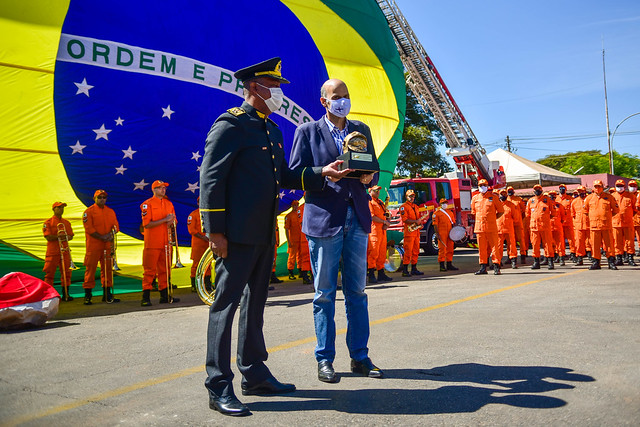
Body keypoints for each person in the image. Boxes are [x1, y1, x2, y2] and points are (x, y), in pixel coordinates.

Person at [199, 59, 348, 416]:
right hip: (234, 235)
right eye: (273, 85)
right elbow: (211, 178)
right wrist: (214, 232)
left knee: (255, 306)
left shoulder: (272, 131)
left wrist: (320, 173)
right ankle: (218, 385)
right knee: (225, 306)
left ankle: (253, 373)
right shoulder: (231, 123)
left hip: (264, 232)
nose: (279, 92)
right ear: (254, 88)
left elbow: (284, 176)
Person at [289, 77, 384, 385]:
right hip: (323, 220)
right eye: (336, 96)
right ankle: (324, 359)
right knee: (324, 295)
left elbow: (373, 164)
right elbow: (293, 175)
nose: (342, 101)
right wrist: (322, 174)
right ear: (324, 101)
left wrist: (370, 175)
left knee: (357, 292)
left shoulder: (362, 131)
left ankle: (360, 356)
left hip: (356, 218)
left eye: (345, 95)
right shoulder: (307, 132)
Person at [140, 180, 180, 306]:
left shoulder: (169, 203)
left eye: (164, 188)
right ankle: (145, 297)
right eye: (160, 188)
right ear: (154, 190)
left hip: (166, 242)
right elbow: (147, 224)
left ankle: (164, 295)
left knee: (165, 269)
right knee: (149, 270)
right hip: (152, 243)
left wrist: (171, 222)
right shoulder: (147, 204)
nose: (163, 190)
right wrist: (165, 220)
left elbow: (174, 221)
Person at [82, 190, 120, 305]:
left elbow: (116, 227)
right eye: (100, 197)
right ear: (94, 198)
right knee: (90, 270)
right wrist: (102, 237)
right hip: (93, 246)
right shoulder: (88, 212)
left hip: (107, 245)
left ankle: (107, 295)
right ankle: (88, 295)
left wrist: (110, 235)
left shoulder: (110, 211)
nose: (102, 199)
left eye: (104, 197)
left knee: (107, 269)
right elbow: (89, 229)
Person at [583, 179, 619, 270]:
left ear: (602, 187)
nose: (597, 188)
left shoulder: (609, 197)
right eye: (596, 186)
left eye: (599, 186)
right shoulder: (589, 198)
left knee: (609, 244)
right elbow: (585, 211)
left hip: (606, 225)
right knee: (594, 245)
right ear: (593, 188)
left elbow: (615, 210)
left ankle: (611, 262)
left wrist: (607, 217)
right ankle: (596, 262)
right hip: (594, 226)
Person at [42, 202, 74, 301]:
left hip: (64, 250)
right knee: (49, 273)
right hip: (53, 251)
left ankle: (66, 294)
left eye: (62, 207)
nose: (61, 209)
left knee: (67, 273)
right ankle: (48, 295)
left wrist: (68, 237)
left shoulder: (66, 222)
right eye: (59, 207)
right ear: (54, 209)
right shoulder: (48, 222)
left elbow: (71, 235)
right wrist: (59, 236)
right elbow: (48, 237)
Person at [471, 179, 504, 275]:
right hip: (479, 228)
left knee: (495, 247)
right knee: (482, 248)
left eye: (484, 185)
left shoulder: (493, 197)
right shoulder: (475, 198)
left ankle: (496, 266)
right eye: (480, 185)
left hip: (491, 227)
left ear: (487, 186)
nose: (482, 187)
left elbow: (501, 211)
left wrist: (493, 218)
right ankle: (483, 267)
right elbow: (474, 212)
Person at [525, 184, 555, 270]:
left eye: (539, 189)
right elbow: (527, 214)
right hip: (534, 227)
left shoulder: (547, 200)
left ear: (541, 190)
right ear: (533, 191)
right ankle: (536, 262)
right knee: (535, 245)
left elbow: (553, 213)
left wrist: (545, 219)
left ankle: (550, 262)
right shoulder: (531, 201)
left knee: (548, 244)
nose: (537, 190)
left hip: (545, 226)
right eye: (535, 189)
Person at [367, 185, 393, 282]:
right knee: (373, 252)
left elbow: (386, 213)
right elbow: (372, 217)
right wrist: (384, 222)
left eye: (378, 190)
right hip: (374, 230)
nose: (378, 192)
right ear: (370, 191)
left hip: (382, 230)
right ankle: (371, 274)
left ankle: (381, 273)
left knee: (382, 253)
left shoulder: (380, 202)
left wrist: (388, 220)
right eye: (375, 190)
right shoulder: (369, 202)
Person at [399, 189, 425, 277]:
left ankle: (414, 268)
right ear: (406, 197)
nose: (412, 198)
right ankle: (405, 270)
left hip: (416, 232)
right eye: (410, 196)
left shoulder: (416, 207)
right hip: (409, 232)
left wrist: (420, 224)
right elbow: (405, 219)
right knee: (408, 251)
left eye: (413, 196)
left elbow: (418, 219)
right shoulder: (403, 207)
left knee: (416, 251)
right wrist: (416, 221)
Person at [187, 198, 211, 292]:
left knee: (208, 263)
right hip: (198, 244)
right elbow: (192, 230)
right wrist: (203, 237)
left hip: (208, 243)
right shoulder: (193, 215)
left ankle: (207, 284)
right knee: (196, 264)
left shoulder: (209, 214)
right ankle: (195, 284)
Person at [612, 179, 637, 266]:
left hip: (628, 222)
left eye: (621, 186)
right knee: (617, 242)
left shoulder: (631, 196)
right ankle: (619, 258)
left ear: (625, 187)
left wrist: (628, 216)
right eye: (618, 186)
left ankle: (630, 258)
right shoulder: (612, 196)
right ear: (615, 186)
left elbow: (635, 210)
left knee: (630, 241)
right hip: (616, 223)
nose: (619, 188)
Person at [432, 197, 458, 271]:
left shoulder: (450, 212)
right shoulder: (436, 213)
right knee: (442, 249)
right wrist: (437, 234)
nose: (445, 204)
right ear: (440, 204)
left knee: (450, 248)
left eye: (446, 203)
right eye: (443, 203)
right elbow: (435, 225)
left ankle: (449, 264)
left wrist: (455, 233)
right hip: (441, 232)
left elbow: (453, 223)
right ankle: (442, 265)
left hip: (450, 232)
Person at [495, 189, 518, 269]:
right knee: (498, 246)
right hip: (498, 229)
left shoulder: (511, 205)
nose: (503, 196)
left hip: (509, 228)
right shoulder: (496, 205)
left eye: (504, 194)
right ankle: (498, 262)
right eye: (501, 194)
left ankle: (513, 260)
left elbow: (516, 217)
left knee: (512, 245)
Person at [507, 186, 527, 264]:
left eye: (511, 190)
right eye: (508, 190)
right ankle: (510, 256)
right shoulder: (506, 200)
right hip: (509, 224)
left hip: (518, 223)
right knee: (510, 241)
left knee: (521, 240)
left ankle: (523, 255)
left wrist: (520, 218)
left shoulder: (518, 199)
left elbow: (524, 211)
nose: (510, 192)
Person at [571, 186, 589, 265]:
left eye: (582, 191)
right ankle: (579, 257)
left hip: (589, 224)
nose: (581, 193)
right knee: (579, 242)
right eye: (579, 191)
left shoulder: (589, 199)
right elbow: (573, 214)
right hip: (578, 225)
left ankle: (592, 256)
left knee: (590, 242)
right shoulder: (574, 202)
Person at [284, 200, 301, 280]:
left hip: (300, 239)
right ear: (292, 206)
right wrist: (288, 241)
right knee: (292, 257)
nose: (296, 206)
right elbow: (286, 229)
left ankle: (301, 271)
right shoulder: (289, 216)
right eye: (294, 205)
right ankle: (290, 273)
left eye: (297, 205)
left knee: (300, 256)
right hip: (293, 240)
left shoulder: (299, 215)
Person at [558, 184, 576, 261]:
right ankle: (561, 254)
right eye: (560, 188)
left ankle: (573, 253)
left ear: (566, 190)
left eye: (563, 188)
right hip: (559, 223)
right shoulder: (556, 199)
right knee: (560, 240)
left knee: (571, 239)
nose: (562, 189)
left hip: (568, 222)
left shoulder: (570, 199)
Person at [548, 190, 566, 266]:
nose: (552, 197)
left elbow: (563, 217)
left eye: (553, 195)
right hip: (548, 227)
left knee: (560, 243)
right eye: (550, 195)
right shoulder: (546, 205)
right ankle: (553, 258)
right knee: (550, 243)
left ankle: (561, 258)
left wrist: (559, 223)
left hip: (558, 227)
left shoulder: (559, 205)